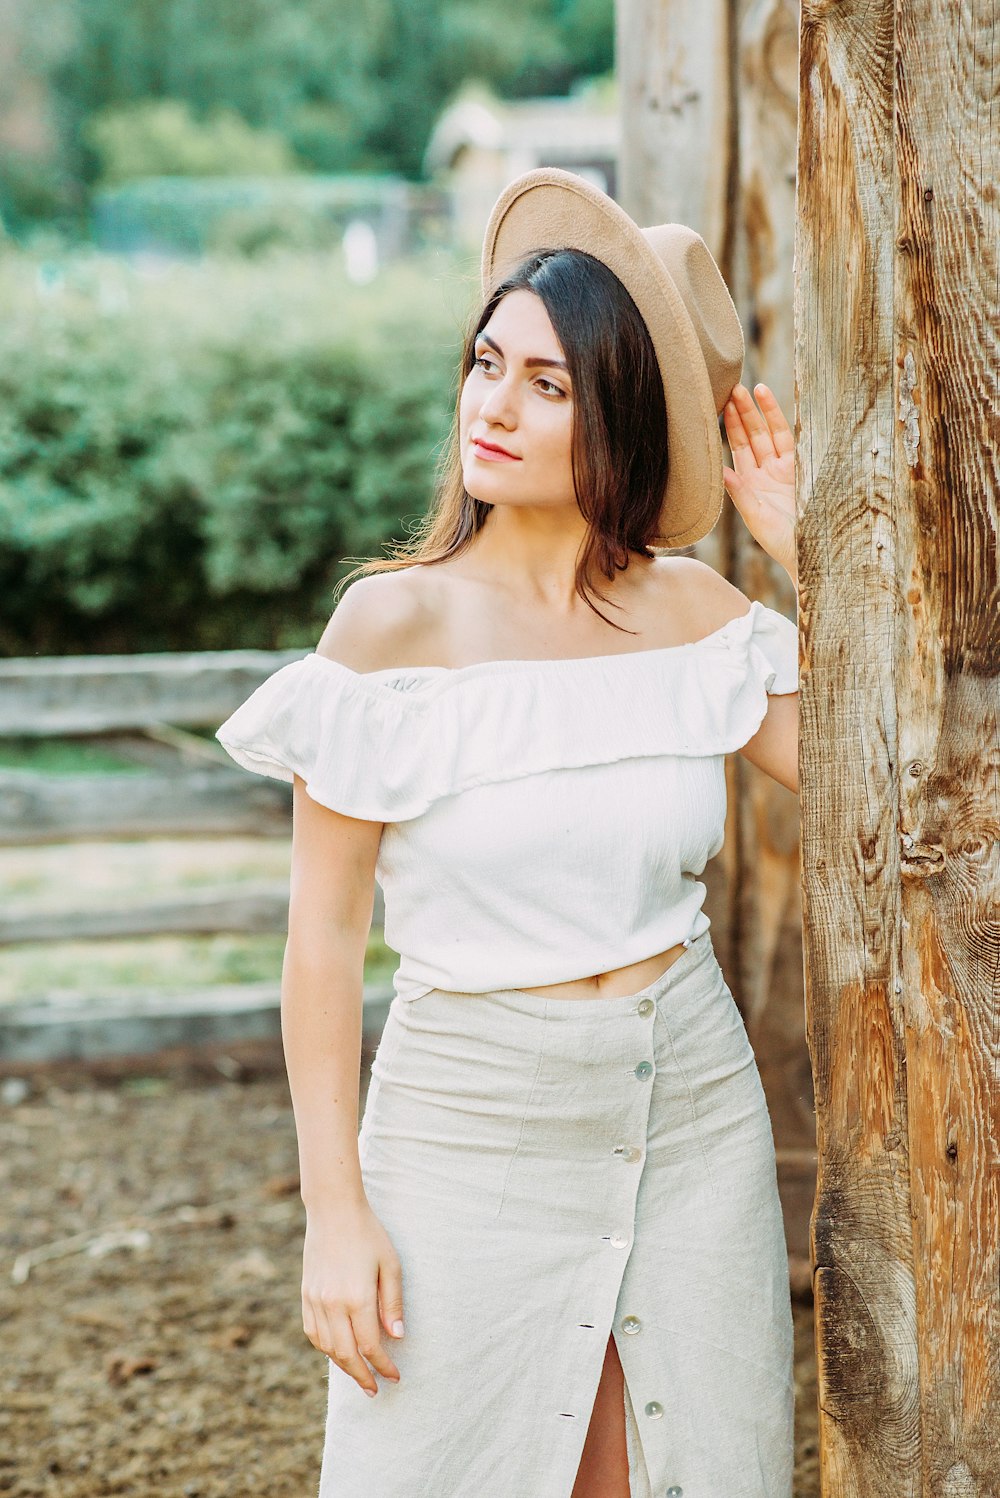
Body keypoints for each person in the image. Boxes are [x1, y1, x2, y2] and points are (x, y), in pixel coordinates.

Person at [215, 168, 800, 1498]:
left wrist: (804, 544)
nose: (493, 404)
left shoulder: (699, 616)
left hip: (690, 1109)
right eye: (488, 363)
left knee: (682, 1463)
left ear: (623, 417)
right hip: (466, 1123)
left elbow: (867, 778)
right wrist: (336, 1210)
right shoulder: (389, 630)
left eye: (548, 384)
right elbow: (321, 948)